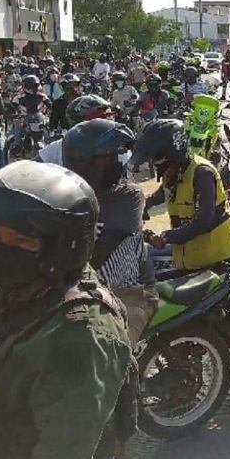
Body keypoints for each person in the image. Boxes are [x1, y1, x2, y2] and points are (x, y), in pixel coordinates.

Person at [0, 160, 131, 459]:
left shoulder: (80, 337)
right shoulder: (28, 292)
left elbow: (62, 449)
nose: (2, 251)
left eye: (22, 241)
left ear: (64, 247)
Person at [131, 119, 230, 412]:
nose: (160, 172)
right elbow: (159, 197)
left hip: (225, 258)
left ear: (173, 155)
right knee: (191, 321)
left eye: (161, 165)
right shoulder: (173, 175)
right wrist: (139, 208)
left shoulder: (201, 173)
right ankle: (188, 382)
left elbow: (205, 219)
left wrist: (166, 237)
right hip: (191, 261)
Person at [62, 119, 156, 346]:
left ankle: (129, 381)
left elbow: (103, 248)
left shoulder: (127, 195)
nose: (116, 163)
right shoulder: (70, 196)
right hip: (87, 292)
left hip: (131, 293)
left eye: (116, 156)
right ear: (84, 162)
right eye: (108, 157)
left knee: (107, 358)